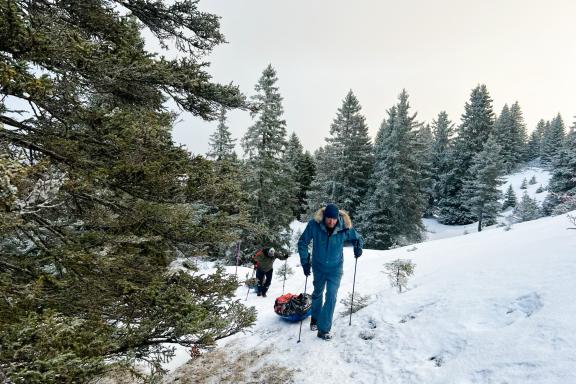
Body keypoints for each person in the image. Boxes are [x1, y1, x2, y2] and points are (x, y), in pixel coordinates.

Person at [298, 203, 363, 340]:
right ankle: (315, 319)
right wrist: (305, 261)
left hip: (335, 268)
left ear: (337, 218)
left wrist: (358, 247)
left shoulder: (344, 227)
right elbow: (303, 242)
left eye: (333, 219)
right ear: (324, 217)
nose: (331, 221)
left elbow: (357, 238)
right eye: (328, 218)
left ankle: (324, 329)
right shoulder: (314, 225)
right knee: (317, 293)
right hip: (318, 266)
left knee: (331, 296)